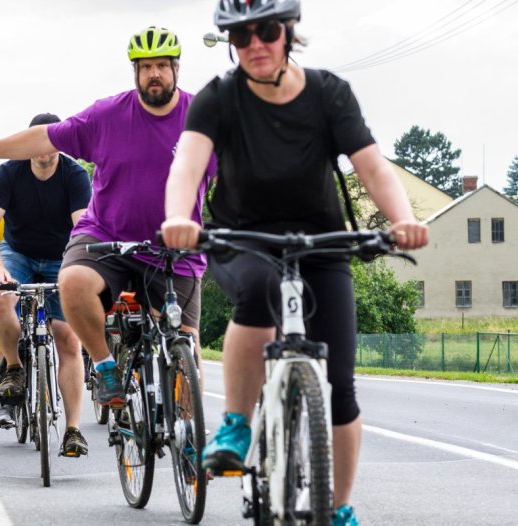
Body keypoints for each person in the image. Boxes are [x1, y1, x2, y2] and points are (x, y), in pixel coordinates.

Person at [160, 2, 429, 525]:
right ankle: (237, 423)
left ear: (288, 33)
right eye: (240, 36)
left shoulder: (329, 93)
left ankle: (341, 506)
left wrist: (401, 220)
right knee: (257, 288)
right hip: (244, 237)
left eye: (267, 31)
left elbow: (371, 165)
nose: (255, 44)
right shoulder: (219, 98)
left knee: (343, 388)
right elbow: (186, 165)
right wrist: (177, 217)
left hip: (321, 241)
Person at [0, 26, 216, 409]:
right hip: (108, 239)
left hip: (176, 247)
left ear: (176, 70)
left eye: (162, 66)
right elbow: (43, 138)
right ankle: (105, 367)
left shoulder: (202, 117)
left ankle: (191, 445)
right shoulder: (107, 116)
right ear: (135, 72)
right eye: (146, 67)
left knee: (185, 340)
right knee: (71, 282)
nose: (154, 74)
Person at [0, 112, 92, 457]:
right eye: (37, 142)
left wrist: (77, 268)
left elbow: (81, 227)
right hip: (19, 254)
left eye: (51, 141)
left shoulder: (74, 175)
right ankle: (13, 367)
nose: (44, 150)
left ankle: (72, 430)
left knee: (69, 339)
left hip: (62, 255)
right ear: (28, 144)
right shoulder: (10, 171)